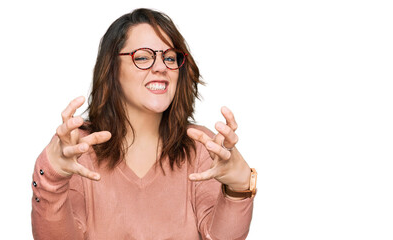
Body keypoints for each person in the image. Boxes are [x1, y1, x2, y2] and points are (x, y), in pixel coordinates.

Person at [31, 8, 257, 240]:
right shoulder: (78, 147)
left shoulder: (202, 147)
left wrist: (238, 189)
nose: (160, 67)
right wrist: (52, 177)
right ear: (112, 69)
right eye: (142, 57)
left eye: (169, 58)